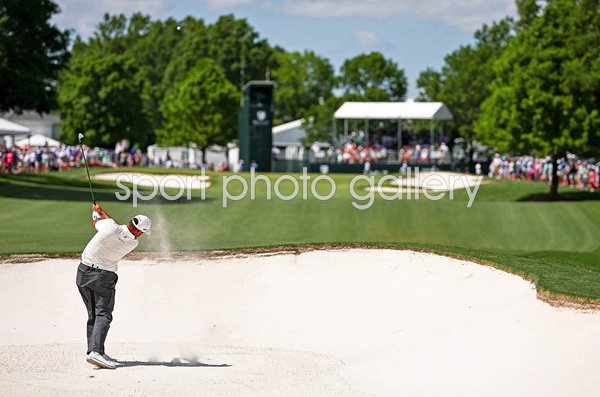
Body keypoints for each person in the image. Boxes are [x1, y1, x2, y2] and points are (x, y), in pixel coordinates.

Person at [76, 203, 151, 369]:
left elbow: (100, 224)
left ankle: (95, 351)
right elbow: (120, 228)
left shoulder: (110, 227)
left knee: (93, 314)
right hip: (102, 278)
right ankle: (95, 352)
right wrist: (102, 212)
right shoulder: (133, 243)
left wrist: (96, 214)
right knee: (104, 314)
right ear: (139, 231)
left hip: (82, 273)